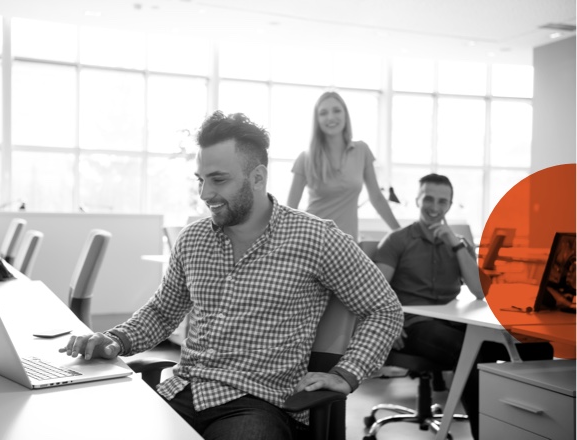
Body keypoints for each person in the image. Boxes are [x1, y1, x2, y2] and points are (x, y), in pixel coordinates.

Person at [60, 111, 403, 440]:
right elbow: (162, 312)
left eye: (218, 179)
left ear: (257, 177)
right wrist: (115, 340)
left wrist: (346, 374)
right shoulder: (193, 239)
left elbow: (384, 309)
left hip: (258, 404)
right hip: (183, 391)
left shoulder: (315, 238)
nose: (205, 193)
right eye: (201, 179)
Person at [373, 173, 553, 439]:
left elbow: (480, 292)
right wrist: (389, 322)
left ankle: (531, 425)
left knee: (536, 346)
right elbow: (376, 290)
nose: (434, 207)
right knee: (470, 352)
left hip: (452, 320)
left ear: (449, 205)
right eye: (428, 199)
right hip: (412, 325)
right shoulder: (397, 240)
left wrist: (455, 245)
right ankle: (488, 433)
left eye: (442, 201)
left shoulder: (458, 244)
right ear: (417, 200)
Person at [287, 91, 400, 241]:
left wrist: (400, 233)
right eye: (323, 113)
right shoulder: (305, 158)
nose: (331, 117)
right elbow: (290, 209)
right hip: (313, 241)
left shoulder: (362, 151)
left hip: (348, 244)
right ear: (317, 119)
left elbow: (377, 198)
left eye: (336, 110)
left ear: (345, 115)